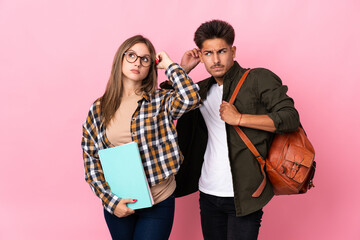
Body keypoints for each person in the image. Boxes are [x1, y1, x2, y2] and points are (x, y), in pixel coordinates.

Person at [174, 20, 300, 240]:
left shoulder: (258, 79)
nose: (215, 59)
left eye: (221, 51)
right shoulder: (200, 90)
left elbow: (289, 118)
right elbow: (160, 110)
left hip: (245, 194)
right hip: (208, 192)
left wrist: (239, 118)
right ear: (201, 56)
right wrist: (181, 71)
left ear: (233, 51)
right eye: (208, 53)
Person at [81, 35, 200, 240]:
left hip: (159, 200)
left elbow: (191, 98)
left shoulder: (160, 100)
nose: (137, 62)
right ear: (120, 59)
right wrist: (111, 202)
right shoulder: (99, 108)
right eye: (132, 55)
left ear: (150, 68)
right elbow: (91, 159)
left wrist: (171, 65)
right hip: (120, 201)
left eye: (145, 59)